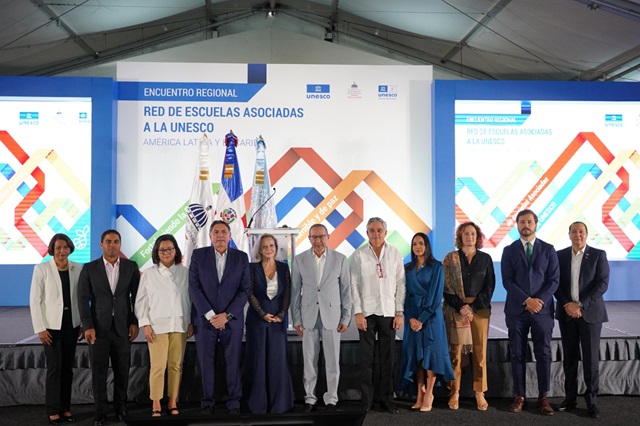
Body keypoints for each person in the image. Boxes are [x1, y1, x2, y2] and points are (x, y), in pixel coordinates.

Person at [77, 229, 140, 426]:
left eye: (115, 241)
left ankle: (121, 408)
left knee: (122, 371)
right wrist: (87, 326)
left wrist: (134, 322)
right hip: (98, 329)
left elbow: (137, 298)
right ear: (101, 244)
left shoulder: (131, 267)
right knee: (99, 373)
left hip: (123, 329)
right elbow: (82, 299)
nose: (112, 245)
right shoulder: (89, 268)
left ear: (120, 244)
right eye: (108, 241)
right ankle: (100, 411)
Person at [501, 210, 559, 415]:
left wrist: (539, 302)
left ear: (536, 224)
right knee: (517, 353)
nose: (526, 225)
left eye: (529, 221)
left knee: (543, 353)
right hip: (517, 310)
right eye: (522, 222)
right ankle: (519, 396)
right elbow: (507, 281)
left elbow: (554, 281)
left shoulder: (549, 250)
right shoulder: (509, 250)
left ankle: (543, 397)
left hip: (542, 312)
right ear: (517, 224)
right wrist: (527, 301)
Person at [189, 220, 249, 415]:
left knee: (233, 363)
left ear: (230, 236)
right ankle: (207, 403)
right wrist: (211, 315)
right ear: (210, 236)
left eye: (224, 232)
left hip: (232, 322)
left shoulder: (241, 257)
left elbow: (244, 290)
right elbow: (194, 288)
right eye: (216, 232)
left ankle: (234, 403)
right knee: (206, 364)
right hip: (205, 321)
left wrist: (227, 315)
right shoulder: (198, 256)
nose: (220, 235)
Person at [291, 224, 352, 412]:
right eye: (314, 237)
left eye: (321, 237)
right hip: (308, 316)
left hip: (332, 317)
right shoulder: (299, 260)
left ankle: (331, 399)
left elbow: (346, 290)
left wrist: (346, 316)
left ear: (328, 237)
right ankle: (310, 398)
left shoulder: (340, 259)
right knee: (309, 359)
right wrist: (296, 319)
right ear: (309, 238)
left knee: (332, 360)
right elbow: (295, 292)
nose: (318, 241)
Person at [350, 217, 405, 414]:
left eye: (379, 230)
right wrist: (357, 312)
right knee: (366, 360)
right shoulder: (358, 255)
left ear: (385, 232)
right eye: (372, 230)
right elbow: (354, 285)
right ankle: (366, 401)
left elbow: (401, 284)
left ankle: (387, 399)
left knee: (388, 359)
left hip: (389, 312)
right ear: (367, 234)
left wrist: (399, 312)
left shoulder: (395, 254)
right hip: (366, 313)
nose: (376, 234)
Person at [135, 234, 193, 417]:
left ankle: (172, 401)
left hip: (180, 325)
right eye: (162, 250)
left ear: (176, 251)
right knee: (158, 366)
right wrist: (145, 324)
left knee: (176, 365)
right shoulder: (149, 274)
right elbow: (141, 302)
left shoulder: (185, 273)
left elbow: (192, 300)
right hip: (156, 327)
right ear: (156, 253)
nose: (167, 252)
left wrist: (191, 322)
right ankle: (156, 402)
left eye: (170, 249)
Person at [555, 221, 609, 419]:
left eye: (581, 231)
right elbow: (555, 283)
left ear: (587, 234)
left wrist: (581, 305)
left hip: (590, 315)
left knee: (590, 360)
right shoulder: (559, 255)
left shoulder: (598, 255)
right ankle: (570, 399)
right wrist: (568, 304)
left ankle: (592, 402)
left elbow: (602, 284)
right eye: (574, 231)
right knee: (569, 359)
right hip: (566, 314)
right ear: (569, 234)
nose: (578, 235)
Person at [30, 234, 83, 425]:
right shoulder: (42, 269)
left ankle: (65, 409)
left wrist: (83, 322)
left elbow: (82, 298)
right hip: (50, 328)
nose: (62, 251)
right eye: (58, 247)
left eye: (66, 247)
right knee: (55, 368)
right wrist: (40, 329)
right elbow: (35, 301)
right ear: (52, 249)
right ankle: (53, 410)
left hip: (72, 325)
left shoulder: (78, 268)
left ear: (71, 249)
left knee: (68, 369)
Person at [443, 222, 495, 411]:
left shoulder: (486, 259)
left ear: (478, 237)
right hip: (457, 311)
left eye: (473, 233)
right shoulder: (451, 259)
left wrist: (472, 308)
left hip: (479, 312)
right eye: (466, 233)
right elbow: (446, 289)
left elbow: (489, 287)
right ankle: (454, 391)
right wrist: (462, 307)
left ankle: (479, 392)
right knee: (456, 353)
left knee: (479, 353)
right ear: (460, 236)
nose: (470, 237)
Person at [400, 232, 454, 412]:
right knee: (416, 356)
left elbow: (435, 297)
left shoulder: (437, 267)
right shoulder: (407, 268)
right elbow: (403, 295)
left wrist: (421, 319)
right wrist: (410, 318)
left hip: (430, 317)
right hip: (412, 317)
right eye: (414, 243)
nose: (418, 247)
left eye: (421, 243)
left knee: (430, 355)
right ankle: (419, 393)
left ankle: (429, 394)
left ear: (427, 246)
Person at [243, 234, 294, 414]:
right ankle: (257, 404)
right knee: (258, 360)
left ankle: (279, 404)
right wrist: (263, 313)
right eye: (264, 246)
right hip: (257, 320)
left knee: (277, 361)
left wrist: (281, 315)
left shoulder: (283, 267)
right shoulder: (251, 268)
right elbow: (249, 293)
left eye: (271, 245)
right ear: (260, 250)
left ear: (276, 247)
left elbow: (287, 292)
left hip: (278, 322)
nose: (268, 249)